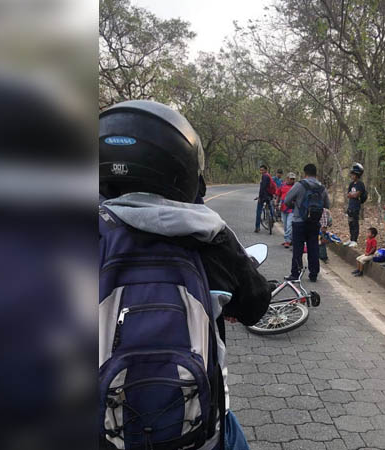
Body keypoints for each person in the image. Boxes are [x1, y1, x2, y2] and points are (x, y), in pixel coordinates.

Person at [99, 100, 270, 450]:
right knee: (231, 432)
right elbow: (256, 305)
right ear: (182, 167)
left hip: (106, 431)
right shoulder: (209, 235)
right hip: (197, 434)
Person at [283, 164, 330, 282]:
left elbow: (287, 200)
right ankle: (313, 274)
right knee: (313, 248)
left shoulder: (300, 185)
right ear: (316, 173)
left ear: (305, 173)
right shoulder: (322, 188)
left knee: (298, 249)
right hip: (314, 222)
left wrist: (296, 207)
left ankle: (295, 274)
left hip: (299, 221)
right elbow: (327, 205)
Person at [345, 163, 367, 247]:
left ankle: (355, 240)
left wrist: (353, 194)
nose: (352, 175)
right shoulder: (351, 184)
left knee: (355, 223)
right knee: (350, 223)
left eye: (353, 174)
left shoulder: (360, 184)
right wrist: (352, 195)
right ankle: (351, 239)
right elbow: (348, 194)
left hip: (356, 207)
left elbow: (357, 194)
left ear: (357, 174)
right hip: (350, 206)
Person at [277, 172, 297, 248]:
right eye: (290, 179)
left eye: (293, 179)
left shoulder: (296, 187)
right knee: (285, 225)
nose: (292, 180)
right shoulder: (282, 185)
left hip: (292, 209)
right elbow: (279, 195)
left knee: (289, 225)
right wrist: (276, 203)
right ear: (287, 178)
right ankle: (290, 239)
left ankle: (287, 241)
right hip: (283, 208)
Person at [255, 164, 275, 232]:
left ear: (266, 170)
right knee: (270, 207)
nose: (261, 172)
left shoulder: (264, 176)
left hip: (264, 196)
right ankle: (272, 218)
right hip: (270, 195)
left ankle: (257, 227)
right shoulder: (269, 176)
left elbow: (262, 188)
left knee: (258, 211)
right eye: (260, 170)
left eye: (262, 170)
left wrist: (260, 197)